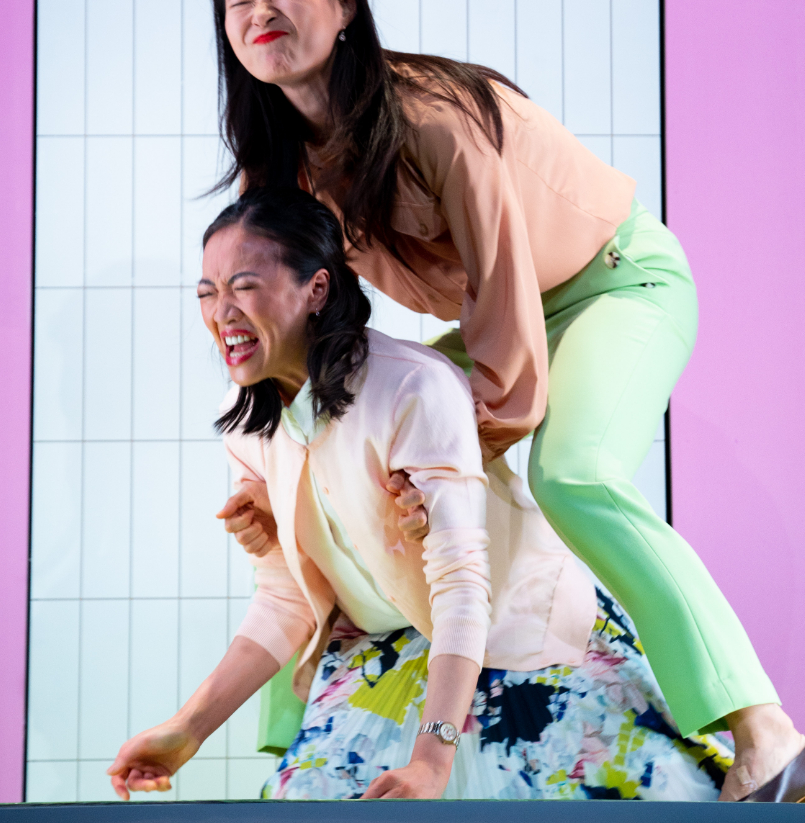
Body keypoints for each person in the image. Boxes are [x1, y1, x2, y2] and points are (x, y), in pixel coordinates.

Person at [202, 0, 805, 805]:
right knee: (338, 447)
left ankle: (767, 735)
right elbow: (296, 328)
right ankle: (315, 731)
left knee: (572, 475)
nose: (261, 10)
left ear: (344, 4)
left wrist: (452, 453)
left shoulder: (431, 117)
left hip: (612, 283)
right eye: (240, 0)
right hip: (509, 314)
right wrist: (282, 470)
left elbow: (503, 297)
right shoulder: (280, 168)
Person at [108, 188, 736, 802]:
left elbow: (463, 590)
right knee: (309, 797)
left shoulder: (413, 390)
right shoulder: (249, 421)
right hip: (392, 640)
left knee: (607, 795)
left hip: (510, 626)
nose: (222, 312)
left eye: (244, 287)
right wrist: (188, 729)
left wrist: (432, 759)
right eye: (207, 293)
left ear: (316, 289)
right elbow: (283, 598)